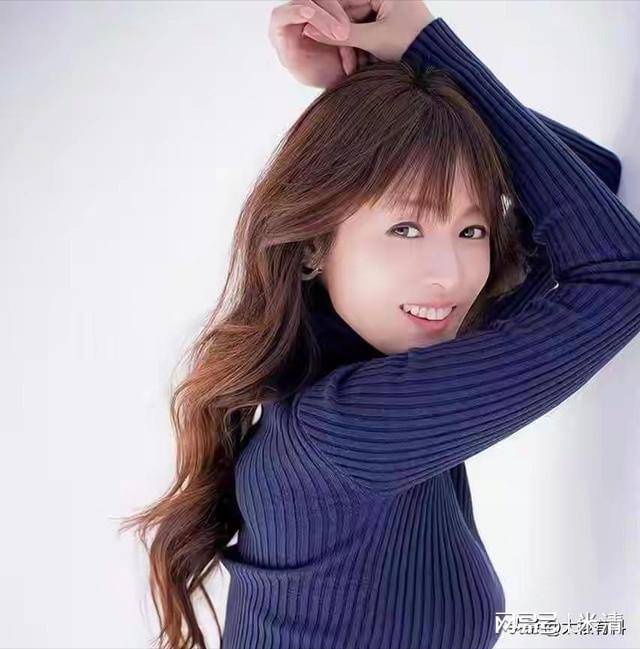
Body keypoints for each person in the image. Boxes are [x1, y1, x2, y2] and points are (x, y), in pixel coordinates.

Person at [121, 2, 639, 648]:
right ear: (314, 245)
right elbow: (621, 273)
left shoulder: (371, 377)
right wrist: (422, 49)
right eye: (406, 228)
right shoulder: (350, 428)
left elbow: (591, 181)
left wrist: (384, 82)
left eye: (471, 230)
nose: (450, 275)